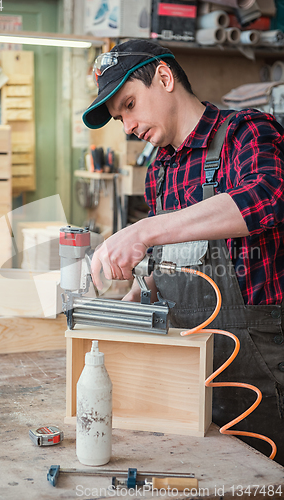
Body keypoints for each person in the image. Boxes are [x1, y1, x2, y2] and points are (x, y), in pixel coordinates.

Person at [82, 39, 284, 465]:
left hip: (261, 365)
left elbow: (268, 197)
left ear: (165, 77)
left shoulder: (247, 130)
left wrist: (144, 229)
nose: (128, 126)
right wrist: (134, 303)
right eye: (121, 117)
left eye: (130, 105)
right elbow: (172, 262)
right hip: (191, 367)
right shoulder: (161, 170)